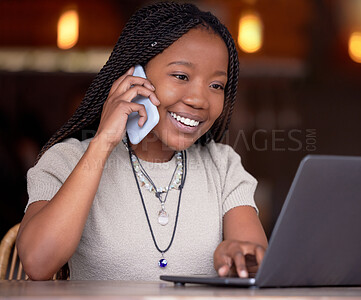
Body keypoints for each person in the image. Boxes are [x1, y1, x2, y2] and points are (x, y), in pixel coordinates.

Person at [16, 2, 268, 281]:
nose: (199, 100)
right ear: (133, 78)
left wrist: (240, 256)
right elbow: (38, 263)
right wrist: (102, 143)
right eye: (181, 76)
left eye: (216, 86)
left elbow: (255, 259)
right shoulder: (66, 159)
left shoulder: (223, 166)